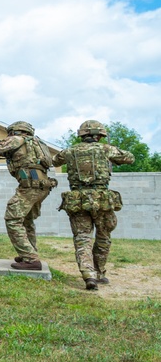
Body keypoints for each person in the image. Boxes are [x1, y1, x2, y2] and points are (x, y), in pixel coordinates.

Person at [52, 120, 134, 290]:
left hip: (78, 200)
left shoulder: (69, 151)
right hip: (102, 199)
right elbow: (130, 158)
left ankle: (88, 275)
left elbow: (54, 161)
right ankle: (99, 272)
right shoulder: (106, 149)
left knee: (82, 238)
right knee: (103, 237)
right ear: (99, 135)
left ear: (81, 135)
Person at [0, 121, 56, 270]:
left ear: (14, 131)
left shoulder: (16, 139)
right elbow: (8, 153)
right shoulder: (36, 143)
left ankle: (31, 259)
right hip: (43, 186)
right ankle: (28, 253)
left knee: (12, 219)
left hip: (29, 187)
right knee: (27, 221)